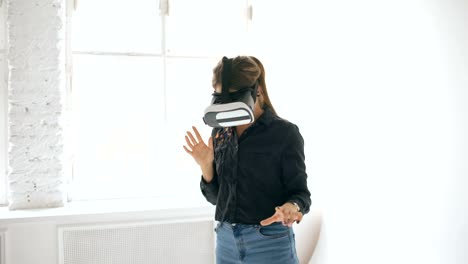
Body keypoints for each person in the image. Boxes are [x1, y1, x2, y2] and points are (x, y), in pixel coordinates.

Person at [183, 55, 311, 264]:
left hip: (269, 242)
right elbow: (217, 199)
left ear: (257, 90)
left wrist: (291, 206)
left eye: (234, 99)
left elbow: (301, 194)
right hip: (226, 241)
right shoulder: (220, 133)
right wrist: (206, 165)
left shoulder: (285, 134)